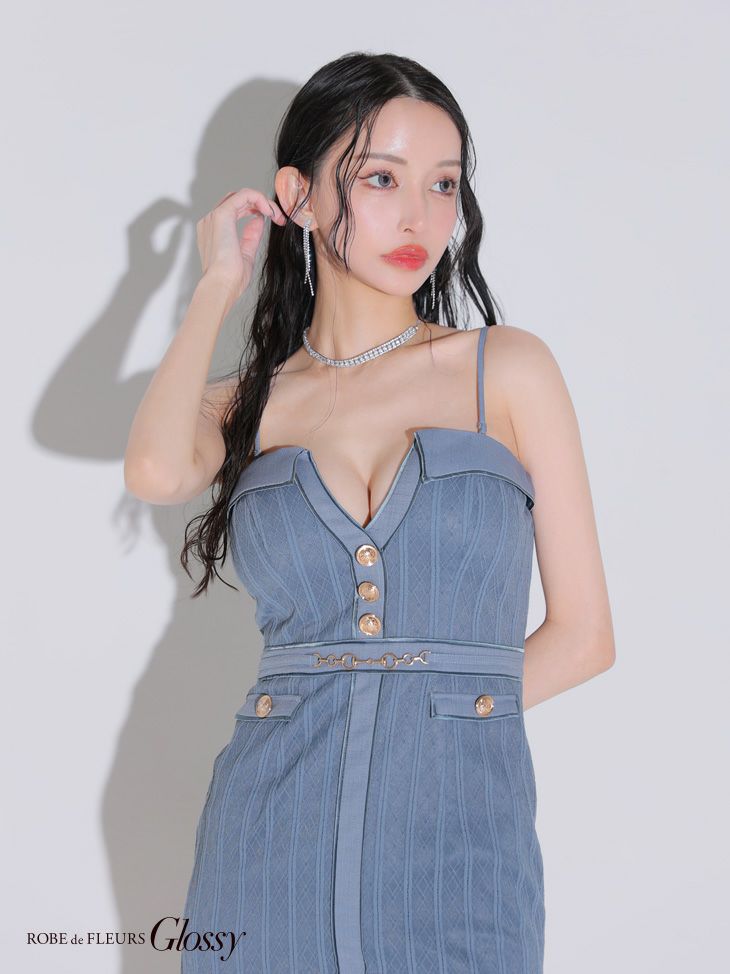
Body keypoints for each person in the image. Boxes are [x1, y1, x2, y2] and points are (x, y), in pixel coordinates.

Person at [124, 51, 615, 974]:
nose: (420, 217)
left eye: (443, 184)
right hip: (267, 840)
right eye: (381, 179)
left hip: (460, 842)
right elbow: (154, 469)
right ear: (300, 197)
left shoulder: (505, 370)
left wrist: (447, 711)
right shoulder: (248, 403)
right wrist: (217, 283)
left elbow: (585, 637)